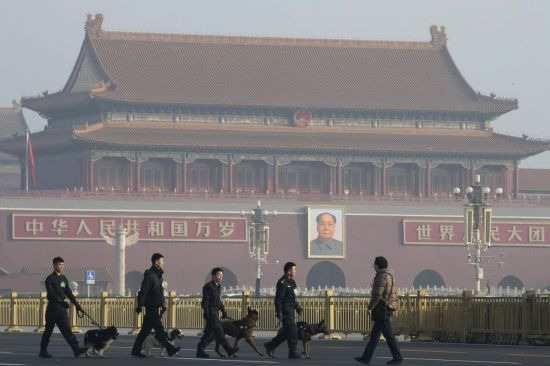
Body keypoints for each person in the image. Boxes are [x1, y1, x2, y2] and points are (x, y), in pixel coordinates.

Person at [131, 253, 180, 358]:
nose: (163, 262)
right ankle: (170, 349)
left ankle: (135, 350)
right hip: (151, 307)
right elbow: (143, 291)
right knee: (160, 330)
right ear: (156, 262)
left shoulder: (159, 275)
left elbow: (160, 292)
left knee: (144, 331)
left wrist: (163, 304)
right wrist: (140, 305)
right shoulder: (149, 275)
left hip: (156, 307)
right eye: (162, 260)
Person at [355, 256, 403, 365]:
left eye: (374, 265)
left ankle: (398, 358)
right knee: (375, 336)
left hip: (382, 308)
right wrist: (395, 307)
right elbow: (394, 294)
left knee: (389, 336)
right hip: (387, 307)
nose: (373, 267)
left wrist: (370, 307)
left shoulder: (381, 277)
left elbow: (377, 295)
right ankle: (366, 357)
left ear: (377, 266)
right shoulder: (390, 276)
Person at [39, 257, 87, 358]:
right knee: (48, 331)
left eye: (62, 265)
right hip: (52, 308)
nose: (61, 267)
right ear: (54, 265)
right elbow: (51, 294)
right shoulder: (50, 279)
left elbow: (69, 293)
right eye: (59, 265)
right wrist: (61, 302)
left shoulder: (64, 279)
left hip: (61, 310)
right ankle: (43, 351)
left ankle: (76, 349)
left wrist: (77, 305)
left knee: (67, 330)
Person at [264, 262, 303, 359]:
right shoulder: (282, 282)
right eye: (294, 269)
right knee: (293, 331)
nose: (295, 271)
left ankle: (270, 346)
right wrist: (279, 312)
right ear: (289, 271)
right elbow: (278, 299)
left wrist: (298, 308)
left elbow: (293, 298)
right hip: (286, 312)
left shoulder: (292, 282)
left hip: (291, 311)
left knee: (286, 333)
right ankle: (292, 352)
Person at [196, 267, 237, 358]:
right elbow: (205, 301)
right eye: (219, 275)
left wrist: (223, 311)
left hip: (215, 312)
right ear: (213, 276)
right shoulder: (208, 286)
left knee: (209, 335)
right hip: (211, 313)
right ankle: (229, 350)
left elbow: (218, 301)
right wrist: (207, 313)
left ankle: (200, 350)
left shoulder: (218, 287)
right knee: (220, 332)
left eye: (222, 275)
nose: (221, 277)